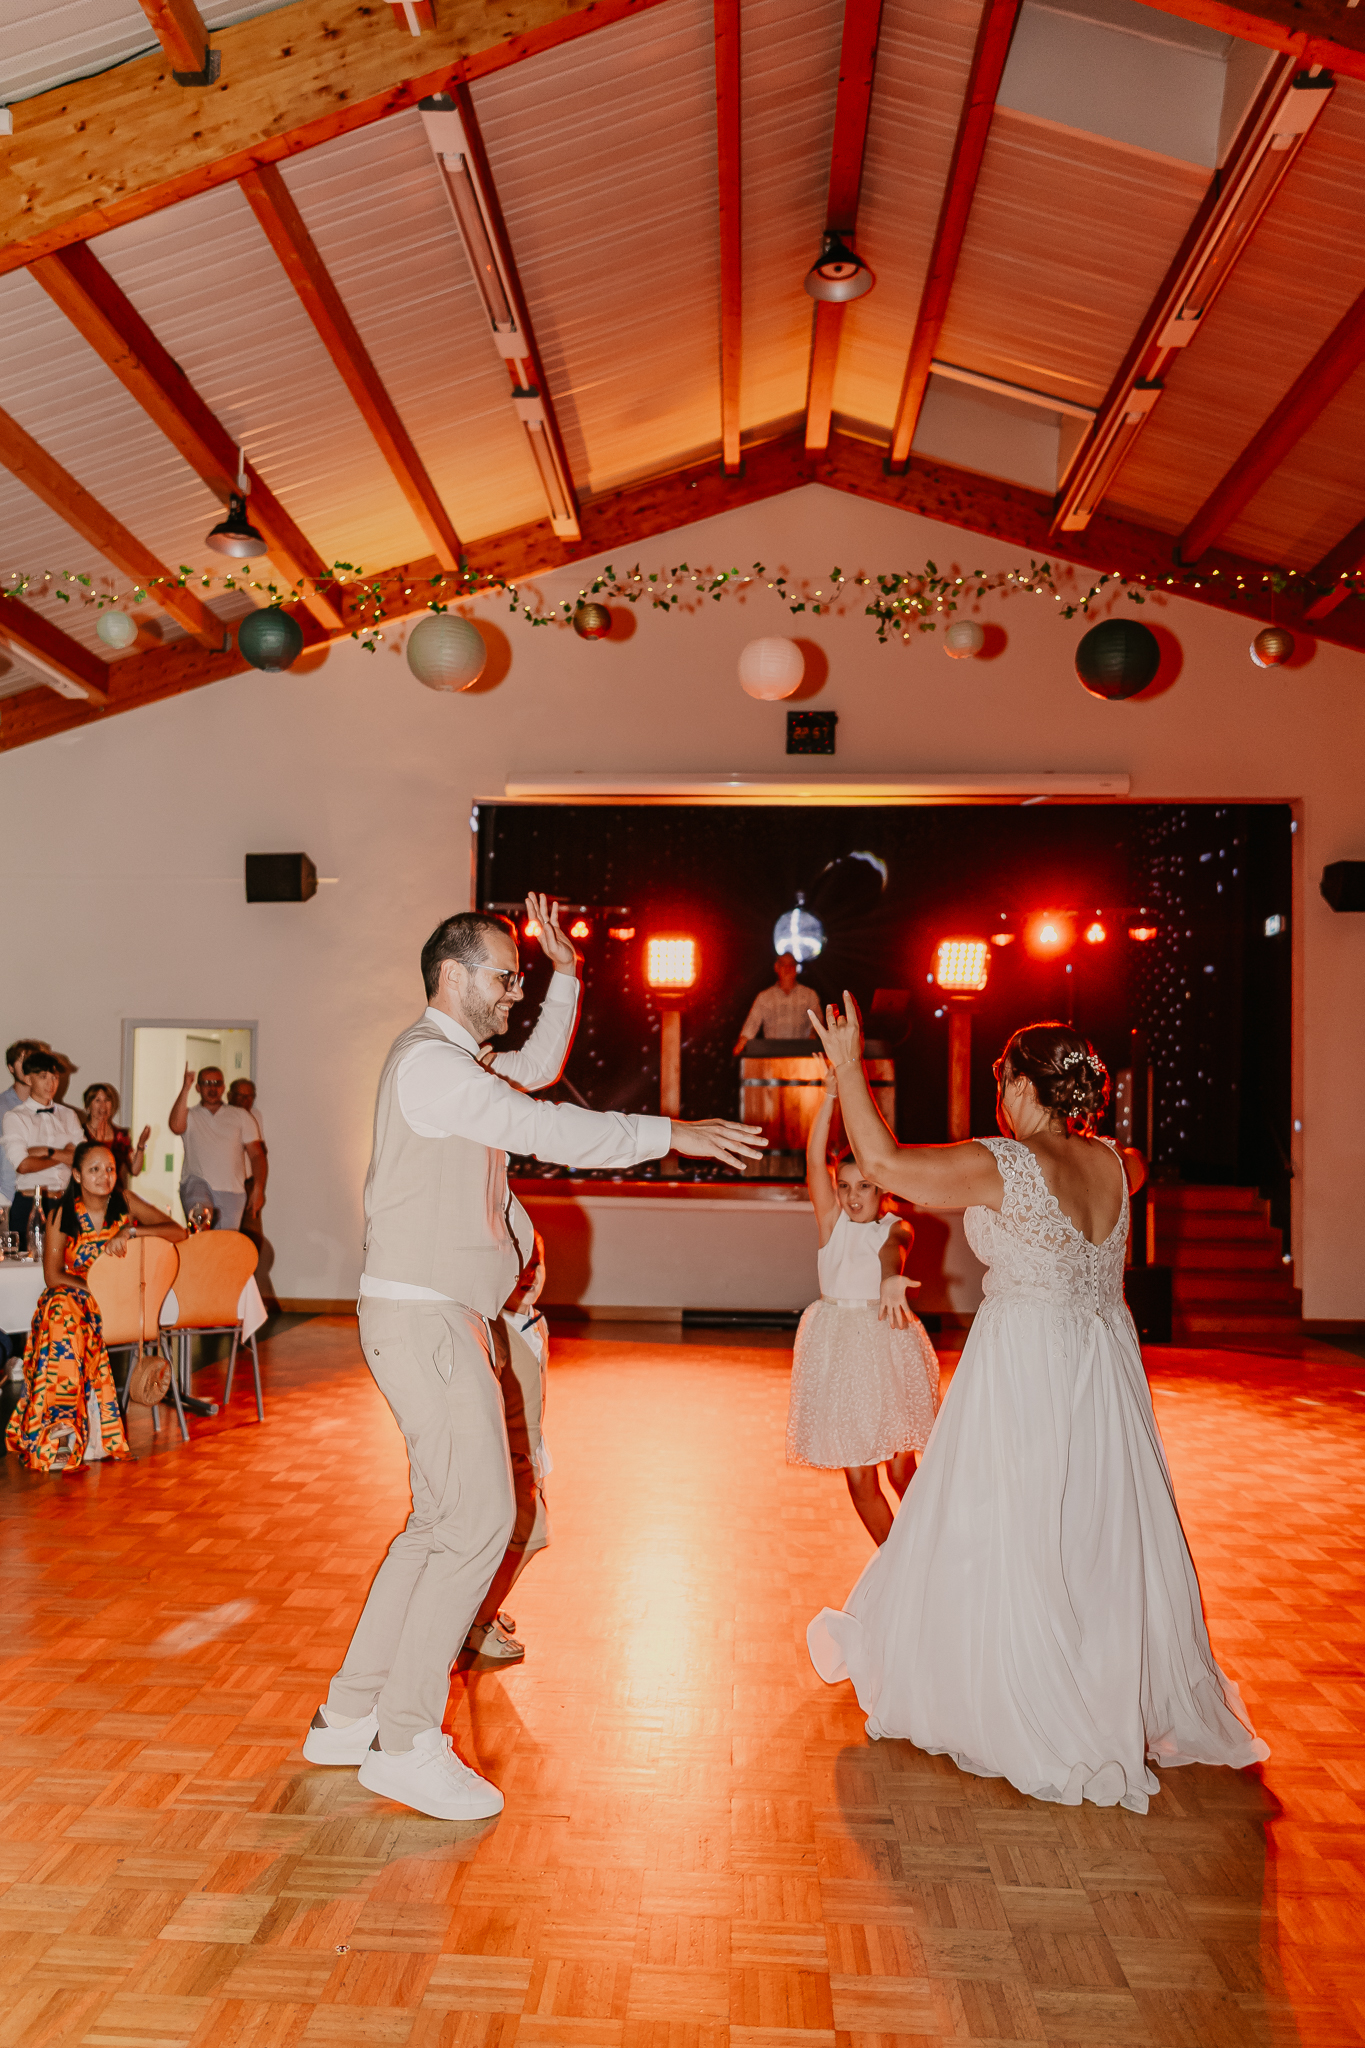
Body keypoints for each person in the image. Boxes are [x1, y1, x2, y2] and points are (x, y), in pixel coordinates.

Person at [301, 893, 765, 1822]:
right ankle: (405, 1742)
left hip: (437, 1318)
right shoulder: (430, 1066)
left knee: (439, 1525)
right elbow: (547, 1128)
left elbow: (540, 1072)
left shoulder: (455, 1065)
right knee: (478, 1523)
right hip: (427, 1319)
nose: (515, 993)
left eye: (521, 979)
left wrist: (567, 973)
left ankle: (349, 1716)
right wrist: (671, 1133)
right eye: (506, 977)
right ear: (453, 975)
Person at [804, 1001, 1268, 1814]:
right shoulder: (1119, 1164)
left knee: (1007, 1521)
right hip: (1104, 1366)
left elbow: (880, 1161)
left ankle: (1027, 1695)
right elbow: (1126, 1174)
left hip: (1023, 1363)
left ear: (1021, 1085)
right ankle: (1099, 1680)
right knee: (1095, 1525)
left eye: (1002, 1081)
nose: (1000, 1097)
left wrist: (847, 1067)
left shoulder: (1005, 1165)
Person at [787, 1068, 940, 1545]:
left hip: (884, 1345)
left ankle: (933, 1549)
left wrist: (891, 1278)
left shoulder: (894, 1226)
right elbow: (814, 1160)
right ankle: (895, 1565)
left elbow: (894, 1249)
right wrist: (829, 1097)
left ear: (882, 1189)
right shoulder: (831, 1224)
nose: (853, 1196)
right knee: (859, 1479)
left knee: (900, 1471)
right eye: (845, 1186)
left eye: (865, 1186)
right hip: (837, 1350)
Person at [5, 1140, 185, 1473]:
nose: (105, 1176)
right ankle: (61, 1429)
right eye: (95, 1169)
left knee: (59, 1315)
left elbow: (178, 1231)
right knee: (60, 1309)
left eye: (110, 1169)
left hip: (122, 1307)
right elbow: (53, 1275)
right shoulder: (62, 1213)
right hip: (81, 1299)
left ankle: (61, 1430)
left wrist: (132, 1231)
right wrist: (96, 1289)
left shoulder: (126, 1202)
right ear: (76, 1174)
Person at [461, 1232, 552, 1663]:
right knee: (527, 1536)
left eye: (536, 1264)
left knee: (513, 1538)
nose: (528, 1276)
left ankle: (481, 1610)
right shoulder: (490, 1330)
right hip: (503, 1457)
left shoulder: (534, 1321)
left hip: (527, 1450)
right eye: (518, 1268)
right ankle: (476, 1624)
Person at [168, 1065, 266, 1230]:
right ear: (198, 1088)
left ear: (223, 1087)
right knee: (201, 1227)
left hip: (232, 1192)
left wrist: (258, 1187)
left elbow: (257, 1154)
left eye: (217, 1083)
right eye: (207, 1083)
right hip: (196, 1183)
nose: (212, 1088)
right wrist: (185, 1088)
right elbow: (175, 1127)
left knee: (224, 1243)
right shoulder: (190, 1115)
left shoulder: (241, 1116)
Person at [2, 1052, 84, 1249]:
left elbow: (83, 1159)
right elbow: (23, 1165)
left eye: (55, 1077)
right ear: (28, 1079)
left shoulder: (69, 1115)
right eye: (43, 1077)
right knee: (27, 1262)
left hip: (65, 1203)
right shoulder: (15, 1117)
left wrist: (47, 1152)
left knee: (67, 1260)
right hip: (29, 1203)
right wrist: (64, 1155)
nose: (51, 1083)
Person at [732, 952, 820, 1055]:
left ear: (796, 968)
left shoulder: (810, 995)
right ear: (776, 967)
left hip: (802, 1054)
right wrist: (742, 1041)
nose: (787, 968)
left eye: (791, 964)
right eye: (783, 964)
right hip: (772, 1055)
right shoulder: (764, 997)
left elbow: (818, 1022)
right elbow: (752, 1023)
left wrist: (813, 1036)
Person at [1, 1039, 48, 1212]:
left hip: (42, 1198)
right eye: (23, 1061)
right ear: (11, 1068)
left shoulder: (49, 1108)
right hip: (6, 1199)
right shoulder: (1, 1107)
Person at [82, 1083, 150, 1186]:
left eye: (107, 1100)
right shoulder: (79, 1132)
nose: (103, 1105)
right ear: (88, 1106)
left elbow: (134, 1170)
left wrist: (141, 1145)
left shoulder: (121, 1135)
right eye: (97, 1100)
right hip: (87, 1192)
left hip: (115, 1192)